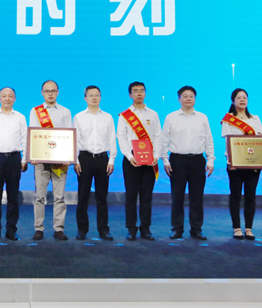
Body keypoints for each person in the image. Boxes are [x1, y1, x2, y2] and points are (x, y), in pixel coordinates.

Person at [162, 85, 215, 241]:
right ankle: (177, 229)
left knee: (197, 197)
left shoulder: (202, 117)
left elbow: (208, 139)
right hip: (177, 160)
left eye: (191, 96)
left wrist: (210, 160)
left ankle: (196, 229)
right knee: (177, 197)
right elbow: (164, 140)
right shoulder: (171, 117)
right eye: (185, 96)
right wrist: (165, 160)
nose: (188, 98)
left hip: (197, 160)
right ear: (179, 99)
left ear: (195, 99)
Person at [29, 80, 73, 241]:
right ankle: (38, 228)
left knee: (59, 197)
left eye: (53, 91)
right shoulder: (35, 111)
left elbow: (68, 135)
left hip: (60, 162)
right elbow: (34, 135)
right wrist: (33, 156)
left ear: (58, 92)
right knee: (39, 197)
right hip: (41, 161)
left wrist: (68, 157)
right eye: (47, 91)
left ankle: (58, 228)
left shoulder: (65, 112)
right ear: (42, 93)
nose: (50, 94)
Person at [117, 81, 161, 241]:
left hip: (149, 161)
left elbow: (158, 136)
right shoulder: (124, 116)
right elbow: (121, 138)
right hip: (131, 160)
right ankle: (131, 228)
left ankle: (145, 228)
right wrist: (130, 157)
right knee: (131, 196)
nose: (139, 93)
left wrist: (156, 155)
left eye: (142, 90)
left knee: (146, 196)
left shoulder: (153, 114)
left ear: (145, 93)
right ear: (130, 95)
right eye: (135, 91)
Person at [0, 87, 28, 241]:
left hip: (14, 159)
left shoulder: (20, 117)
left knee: (13, 197)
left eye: (10, 96)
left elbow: (25, 139)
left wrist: (24, 159)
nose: (7, 99)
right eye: (4, 96)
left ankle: (11, 230)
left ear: (15, 99)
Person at [73, 85, 116, 241]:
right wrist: (75, 160)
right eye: (90, 95)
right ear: (85, 98)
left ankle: (103, 230)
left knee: (102, 197)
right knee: (83, 196)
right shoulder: (78, 117)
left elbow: (111, 139)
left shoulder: (108, 117)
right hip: (84, 159)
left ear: (100, 97)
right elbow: (75, 140)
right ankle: (82, 229)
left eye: (97, 95)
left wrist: (112, 160)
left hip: (102, 159)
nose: (94, 97)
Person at [220, 88, 262, 241]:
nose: (242, 100)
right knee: (235, 195)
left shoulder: (255, 119)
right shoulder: (228, 119)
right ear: (233, 101)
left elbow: (260, 141)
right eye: (239, 97)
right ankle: (237, 228)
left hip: (253, 163)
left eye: (245, 97)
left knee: (251, 196)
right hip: (235, 164)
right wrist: (230, 161)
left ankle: (249, 228)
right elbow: (228, 141)